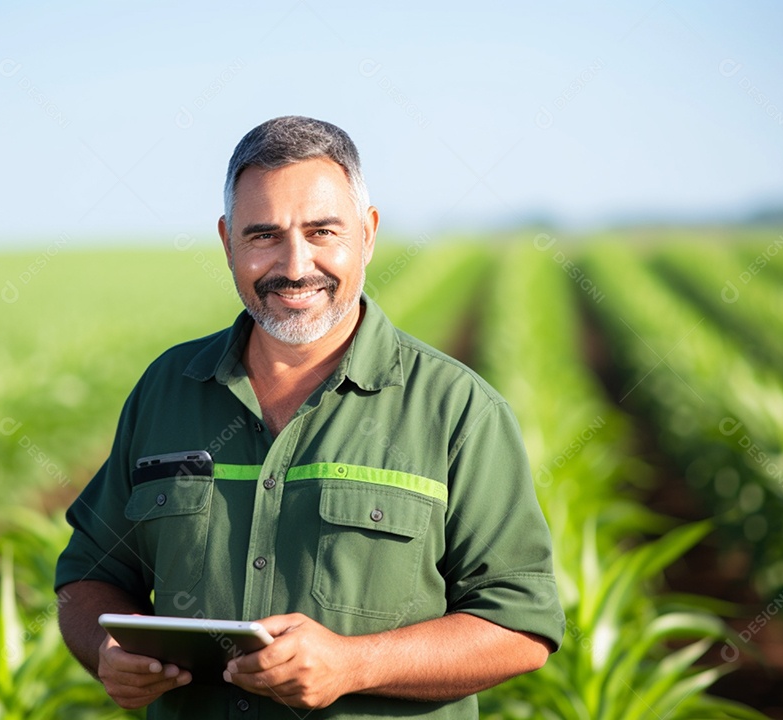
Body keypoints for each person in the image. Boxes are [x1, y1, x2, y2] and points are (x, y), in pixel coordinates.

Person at [55, 115, 563, 719]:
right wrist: (108, 651)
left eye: (323, 231)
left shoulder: (459, 410)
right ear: (227, 242)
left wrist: (356, 663)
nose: (295, 266)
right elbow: (90, 575)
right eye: (264, 235)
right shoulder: (166, 389)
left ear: (368, 234)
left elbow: (521, 625)